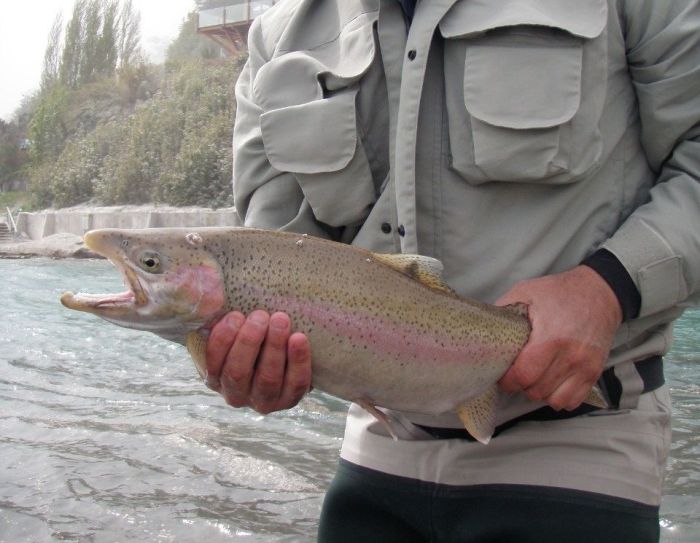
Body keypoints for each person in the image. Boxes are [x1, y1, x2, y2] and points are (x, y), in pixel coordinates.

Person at [204, 1, 700, 541]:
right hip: (381, 444)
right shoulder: (275, 35)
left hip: (580, 444)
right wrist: (256, 359)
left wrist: (607, 288)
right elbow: (274, 254)